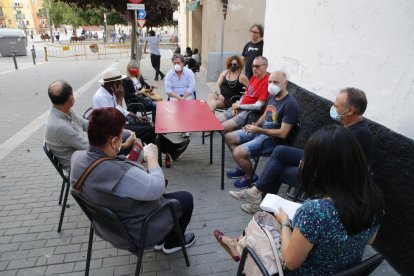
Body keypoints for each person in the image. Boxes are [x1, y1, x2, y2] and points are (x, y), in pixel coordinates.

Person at [216, 125, 383, 275]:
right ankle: (237, 243)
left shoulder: (315, 212)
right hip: (346, 269)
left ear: (322, 168)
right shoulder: (373, 198)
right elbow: (370, 239)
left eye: (307, 157)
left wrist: (285, 223)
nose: (301, 162)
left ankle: (238, 245)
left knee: (262, 222)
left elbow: (291, 262)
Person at [70, 107, 196, 253]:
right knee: (186, 199)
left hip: (107, 226)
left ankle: (163, 239)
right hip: (135, 232)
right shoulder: (120, 173)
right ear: (114, 141)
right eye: (121, 132)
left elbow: (106, 171)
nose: (124, 133)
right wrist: (152, 157)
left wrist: (126, 156)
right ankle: (172, 243)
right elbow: (158, 187)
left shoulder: (76, 158)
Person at [229, 87, 373, 214]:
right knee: (280, 151)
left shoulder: (359, 135)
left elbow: (339, 167)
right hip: (319, 162)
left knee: (278, 170)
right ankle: (257, 191)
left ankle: (264, 206)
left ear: (350, 110)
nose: (333, 108)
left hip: (327, 179)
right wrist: (311, 157)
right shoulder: (347, 124)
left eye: (336, 105)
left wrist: (311, 163)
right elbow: (328, 151)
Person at [93, 68, 190, 161]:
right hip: (112, 129)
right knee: (147, 130)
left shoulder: (111, 91)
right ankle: (173, 150)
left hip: (120, 123)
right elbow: (114, 118)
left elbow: (120, 110)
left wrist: (136, 116)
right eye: (119, 82)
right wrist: (119, 99)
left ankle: (173, 149)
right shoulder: (101, 97)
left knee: (148, 125)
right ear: (112, 84)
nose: (121, 84)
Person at [225, 71, 299, 188]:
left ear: (285, 84)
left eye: (275, 82)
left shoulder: (290, 104)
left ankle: (250, 177)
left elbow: (283, 134)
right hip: (261, 131)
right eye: (270, 82)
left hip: (272, 140)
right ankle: (243, 166)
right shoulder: (272, 96)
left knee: (238, 152)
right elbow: (265, 114)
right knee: (229, 137)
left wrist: (258, 130)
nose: (271, 85)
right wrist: (255, 125)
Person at [44, 80, 135, 171]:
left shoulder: (63, 109)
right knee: (125, 142)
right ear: (71, 99)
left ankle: (121, 164)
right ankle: (120, 168)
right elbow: (92, 149)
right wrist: (123, 145)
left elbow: (86, 124)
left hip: (84, 153)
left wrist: (115, 130)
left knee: (124, 135)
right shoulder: (60, 126)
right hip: (81, 166)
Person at [217, 56, 270, 133]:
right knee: (216, 121)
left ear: (266, 67)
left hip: (249, 112)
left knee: (222, 127)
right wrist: (238, 104)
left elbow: (259, 106)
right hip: (240, 106)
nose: (254, 68)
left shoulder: (266, 82)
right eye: (253, 66)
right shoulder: (254, 77)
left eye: (257, 66)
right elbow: (246, 93)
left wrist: (239, 106)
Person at [165, 54, 197, 138]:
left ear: (183, 63)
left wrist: (184, 97)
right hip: (175, 96)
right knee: (177, 108)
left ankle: (185, 128)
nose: (176, 64)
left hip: (187, 95)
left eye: (178, 62)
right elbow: (168, 90)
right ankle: (182, 127)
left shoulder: (189, 72)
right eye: (175, 62)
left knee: (187, 107)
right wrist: (178, 97)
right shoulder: (169, 74)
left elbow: (192, 87)